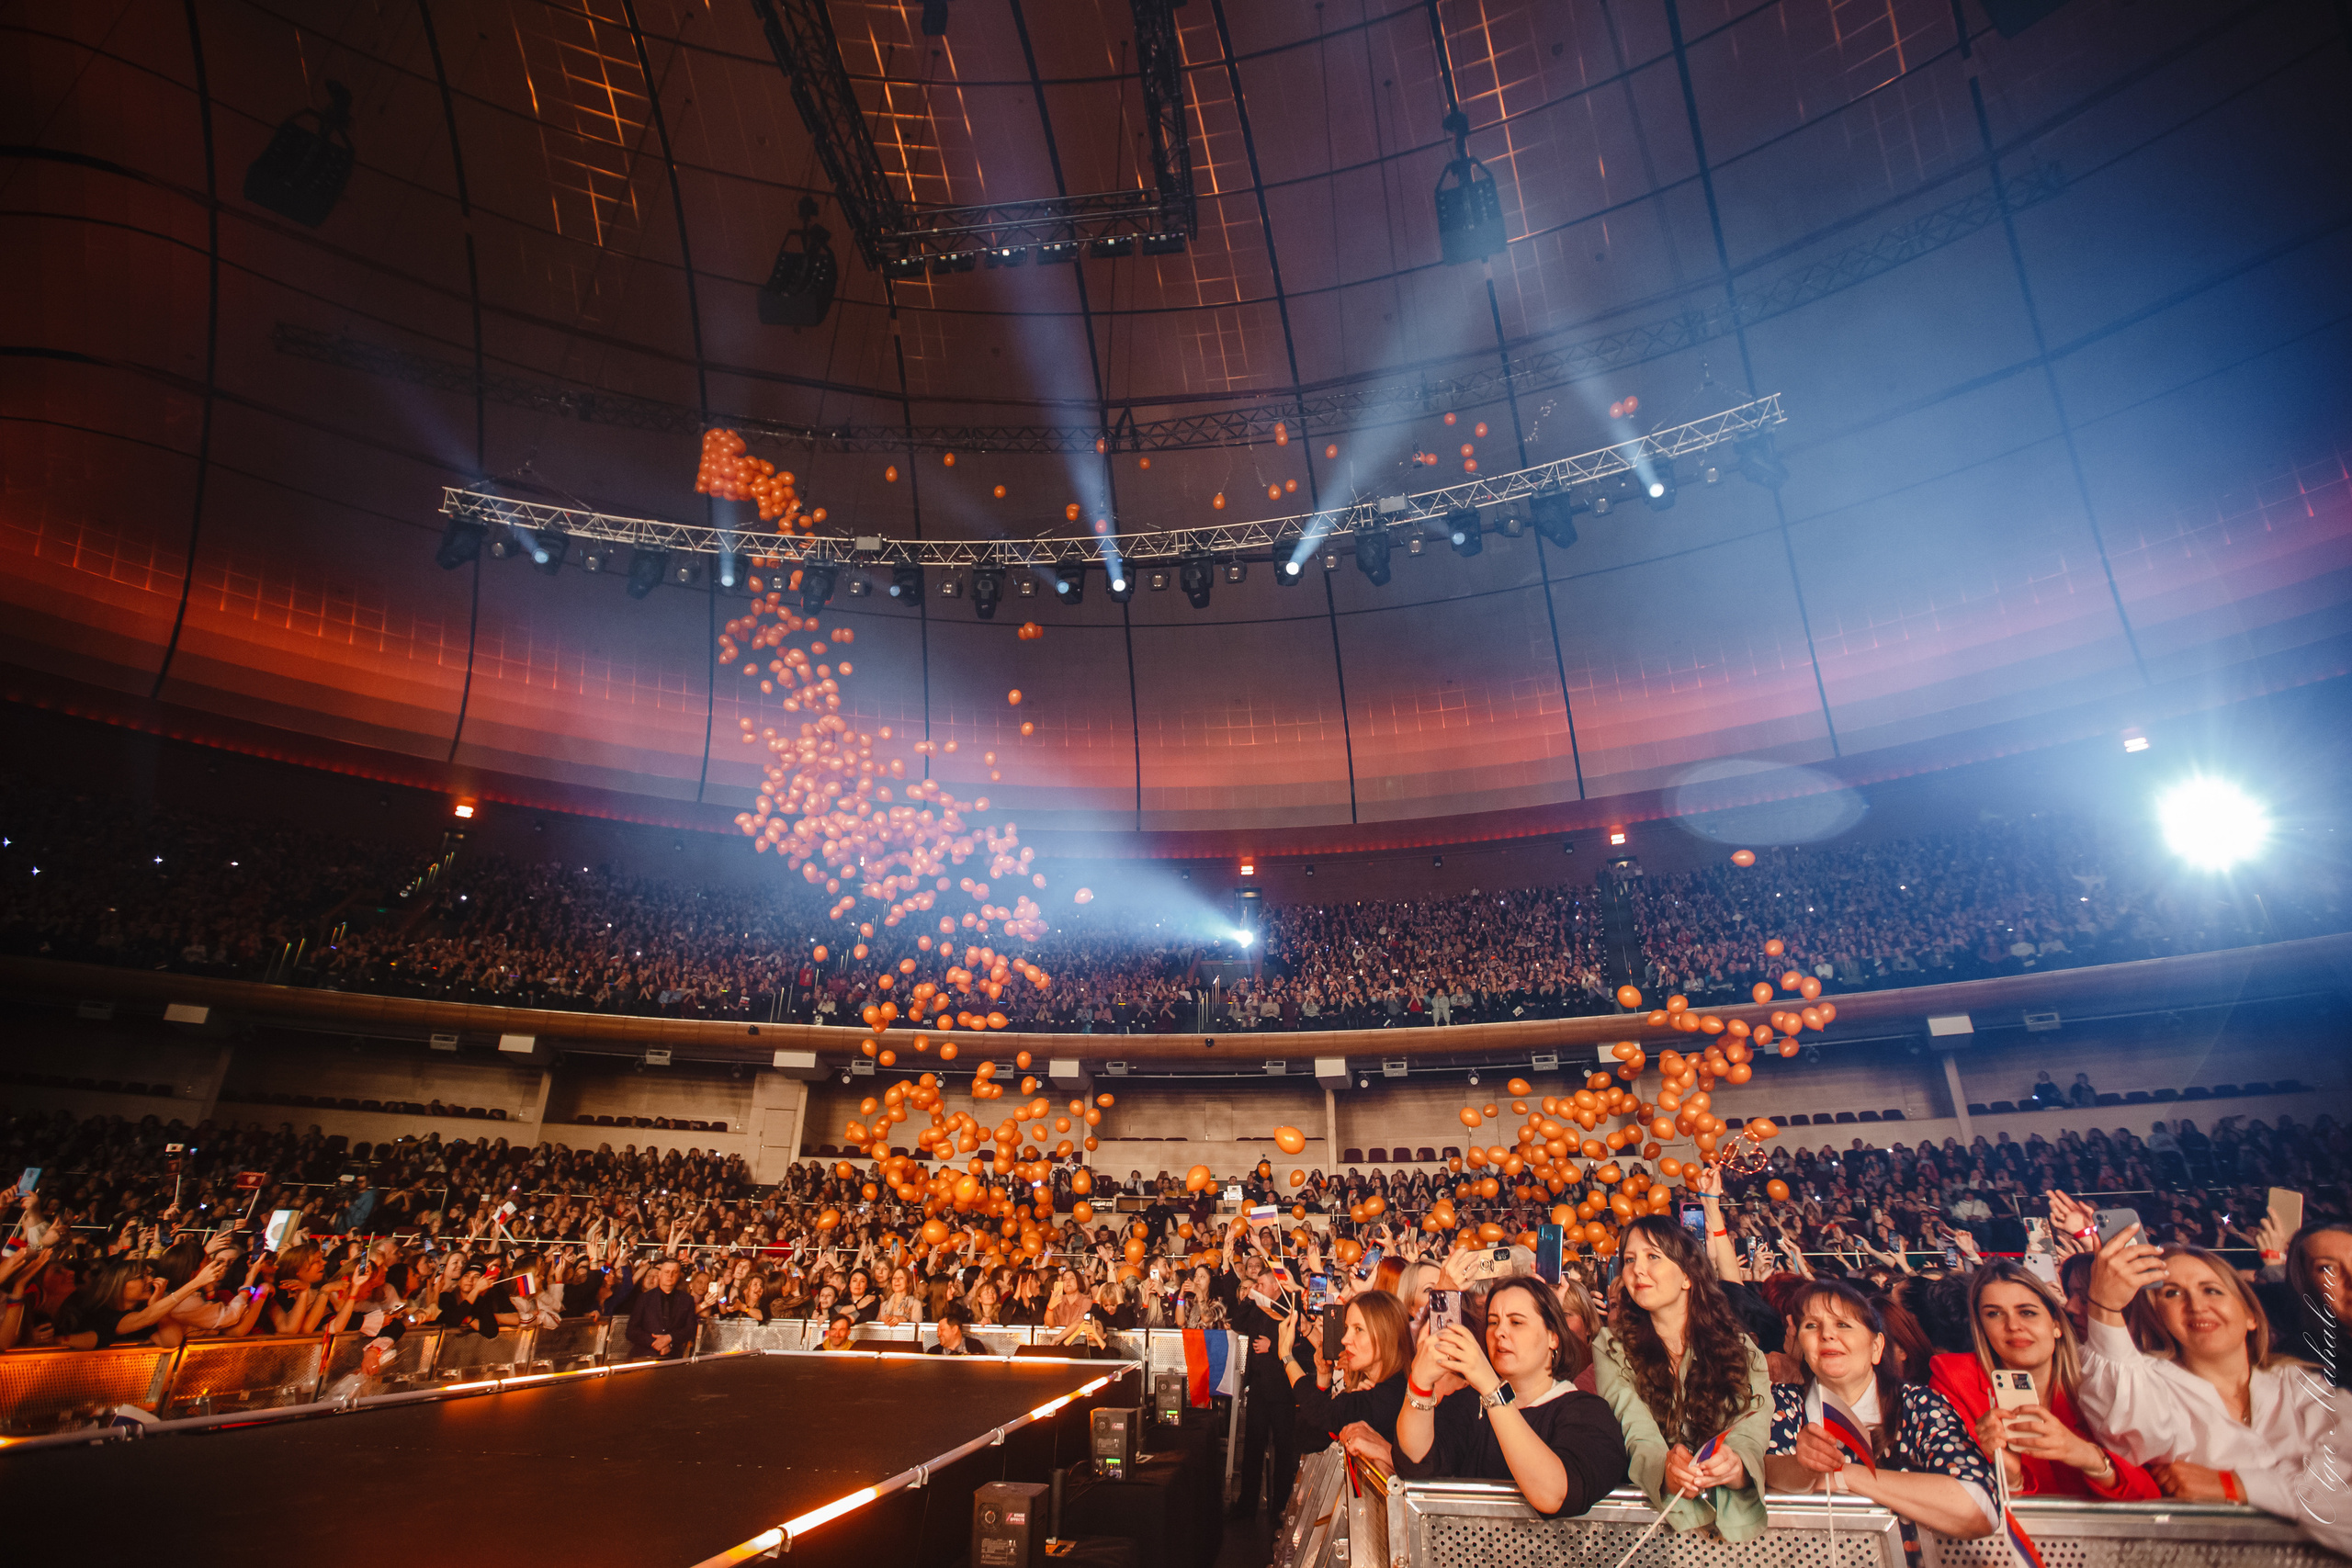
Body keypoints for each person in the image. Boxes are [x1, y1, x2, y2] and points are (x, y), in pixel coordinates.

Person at [2074, 1228, 2352, 1550]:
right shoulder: (2149, 1385)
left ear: (2250, 1315)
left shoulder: (2302, 1384)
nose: (2196, 1305)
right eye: (2172, 1293)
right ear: (2157, 1317)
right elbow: (2129, 1428)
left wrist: (2235, 1485)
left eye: (2212, 1290)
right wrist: (2105, 1307)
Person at [1763, 1280, 1998, 1542]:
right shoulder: (1784, 1401)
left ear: (1876, 1347)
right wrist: (1803, 1467)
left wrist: (1844, 1475)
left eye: (1843, 1324)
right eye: (1811, 1325)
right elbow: (1764, 1471)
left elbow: (1977, 1507)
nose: (1827, 1334)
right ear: (1801, 1346)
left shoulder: (1917, 1405)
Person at [1593, 1217, 1772, 1540]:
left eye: (1653, 1257)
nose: (1637, 1269)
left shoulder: (1741, 1349)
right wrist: (1666, 1471)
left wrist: (1736, 1466)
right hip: (1646, 1531)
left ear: (1688, 1276)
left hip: (1734, 1535)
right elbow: (1634, 1430)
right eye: (1630, 1260)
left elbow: (1751, 1425)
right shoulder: (1611, 1347)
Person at [1392, 1276, 1630, 1517]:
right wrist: (1420, 1383)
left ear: (1553, 1336)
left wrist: (1490, 1386)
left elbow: (1554, 1495)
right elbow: (1416, 1462)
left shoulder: (1588, 1413)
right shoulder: (1469, 1404)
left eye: (1516, 1322)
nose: (1500, 1332)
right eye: (1493, 1322)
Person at [1928, 1261, 2157, 1499]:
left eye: (2027, 1312)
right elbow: (1961, 1503)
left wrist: (2088, 1456)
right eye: (1994, 1314)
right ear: (1982, 1328)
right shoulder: (1954, 1379)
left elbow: (2154, 1497)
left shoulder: (2100, 1379)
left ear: (2056, 1324)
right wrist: (2013, 1481)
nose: (2013, 1326)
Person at [1280, 1288, 1414, 1456]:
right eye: (1346, 1328)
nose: (1345, 1339)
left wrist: (1286, 1356)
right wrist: (1324, 1378)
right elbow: (1308, 1437)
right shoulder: (1367, 1391)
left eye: (1358, 1329)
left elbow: (1323, 1412)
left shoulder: (1393, 1394)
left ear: (1387, 1334)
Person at [626, 1256, 700, 1360]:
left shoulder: (687, 1300)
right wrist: (655, 1343)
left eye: (674, 1272)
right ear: (660, 1274)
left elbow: (691, 1329)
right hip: (643, 1354)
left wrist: (669, 1339)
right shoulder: (644, 1298)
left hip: (672, 1356)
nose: (670, 1275)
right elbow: (631, 1331)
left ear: (679, 1275)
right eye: (667, 1272)